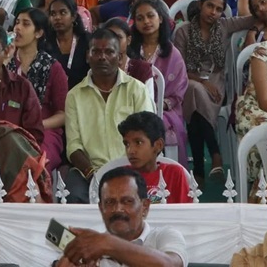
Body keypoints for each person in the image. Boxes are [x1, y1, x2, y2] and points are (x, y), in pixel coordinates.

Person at [173, 0, 255, 186]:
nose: (213, 12)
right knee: (194, 90)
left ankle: (199, 171)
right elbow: (180, 69)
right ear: (201, 5)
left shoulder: (224, 26)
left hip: (217, 83)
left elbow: (252, 20)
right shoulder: (183, 31)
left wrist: (253, 31)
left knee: (195, 106)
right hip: (189, 81)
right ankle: (215, 152)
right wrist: (203, 83)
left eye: (219, 9)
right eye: (210, 6)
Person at [65, 28, 155, 203]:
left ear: (120, 57)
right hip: (89, 172)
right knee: (72, 194)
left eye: (109, 52)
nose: (102, 57)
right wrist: (93, 176)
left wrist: (130, 168)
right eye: (96, 52)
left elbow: (147, 136)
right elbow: (73, 146)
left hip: (132, 166)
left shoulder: (137, 90)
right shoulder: (74, 96)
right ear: (87, 56)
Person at [56, 167, 187, 267]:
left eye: (127, 201)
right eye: (109, 202)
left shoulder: (164, 236)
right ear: (101, 208)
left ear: (145, 207)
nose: (117, 209)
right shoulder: (88, 248)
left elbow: (169, 264)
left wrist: (108, 244)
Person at [129, 0, 189, 166]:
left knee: (156, 125)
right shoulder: (130, 51)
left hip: (164, 110)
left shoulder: (173, 54)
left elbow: (177, 92)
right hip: (131, 106)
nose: (146, 22)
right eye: (140, 18)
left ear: (160, 18)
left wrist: (155, 106)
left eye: (150, 16)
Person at [8, 8, 68, 172]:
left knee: (35, 163)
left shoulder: (52, 67)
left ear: (39, 33)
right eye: (17, 23)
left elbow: (63, 114)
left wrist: (36, 125)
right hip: (9, 128)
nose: (18, 28)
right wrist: (3, 61)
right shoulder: (6, 62)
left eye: (25, 24)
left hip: (44, 130)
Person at [119, 112, 191, 204]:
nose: (130, 150)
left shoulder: (174, 174)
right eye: (127, 144)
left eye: (138, 142)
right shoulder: (120, 176)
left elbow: (185, 211)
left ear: (158, 145)